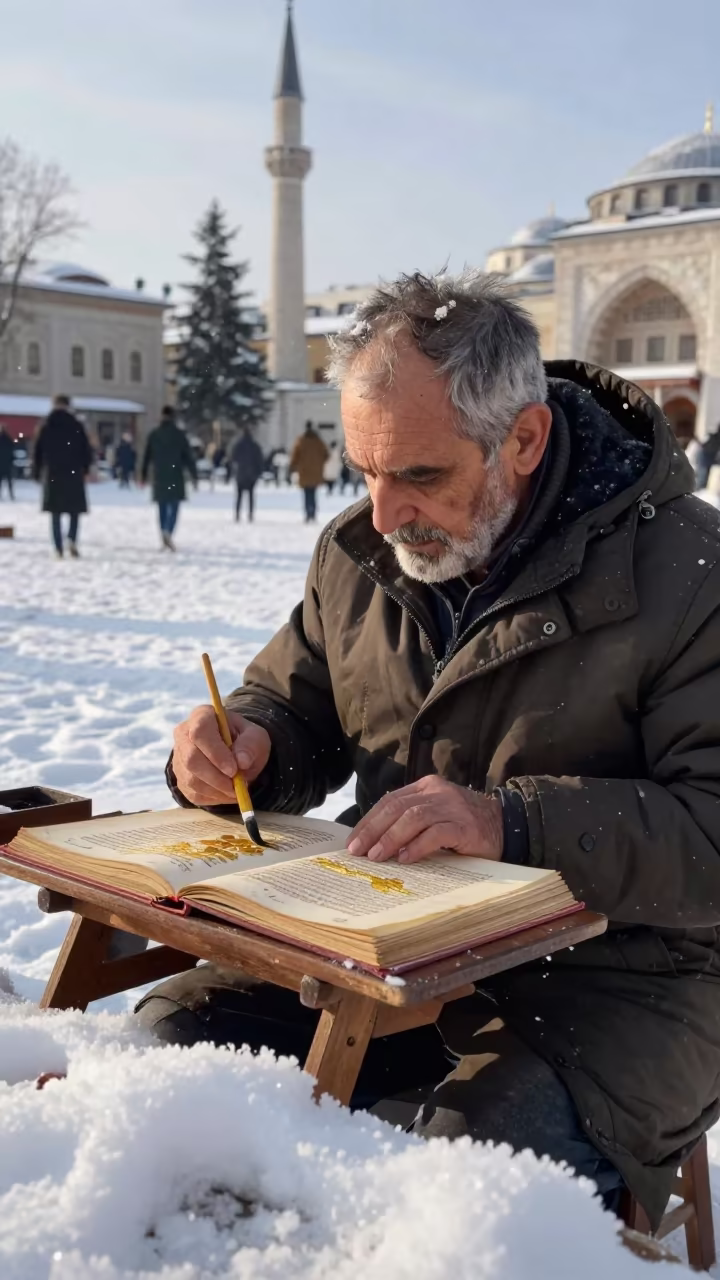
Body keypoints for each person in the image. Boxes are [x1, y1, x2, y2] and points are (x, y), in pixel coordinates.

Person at [138, 269, 720, 1231]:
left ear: (523, 440)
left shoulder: (693, 574)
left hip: (624, 979)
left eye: (418, 475)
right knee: (178, 1051)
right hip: (386, 943)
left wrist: (513, 825)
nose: (382, 513)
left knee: (464, 1176)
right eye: (364, 471)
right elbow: (295, 702)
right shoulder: (360, 552)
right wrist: (248, 744)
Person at [33, 395, 92, 558]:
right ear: (68, 406)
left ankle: (58, 547)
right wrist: (86, 468)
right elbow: (86, 449)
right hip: (73, 472)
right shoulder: (77, 425)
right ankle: (72, 538)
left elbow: (38, 451)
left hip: (53, 472)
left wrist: (36, 471)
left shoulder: (46, 425)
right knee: (74, 510)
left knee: (55, 511)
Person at [141, 406, 197, 551]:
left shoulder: (154, 435)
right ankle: (169, 531)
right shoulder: (180, 435)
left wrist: (143, 474)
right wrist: (194, 475)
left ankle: (163, 531)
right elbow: (188, 457)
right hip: (175, 475)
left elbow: (147, 456)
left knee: (162, 506)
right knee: (174, 506)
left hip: (159, 476)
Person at [289, 421, 328, 521]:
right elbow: (326, 454)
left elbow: (295, 455)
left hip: (304, 471)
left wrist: (292, 466)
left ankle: (308, 512)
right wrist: (319, 463)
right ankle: (313, 512)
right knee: (313, 492)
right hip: (316, 472)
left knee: (306, 493)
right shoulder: (318, 441)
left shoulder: (301, 440)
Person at [228, 426, 264, 522]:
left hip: (240, 474)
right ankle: (250, 514)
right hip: (252, 475)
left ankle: (237, 514)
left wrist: (233, 471)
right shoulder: (255, 446)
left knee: (239, 495)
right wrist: (259, 473)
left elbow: (233, 458)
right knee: (251, 495)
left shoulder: (238, 445)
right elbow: (260, 460)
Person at [0, 424, 15, 500]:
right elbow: (12, 450)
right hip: (7, 464)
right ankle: (11, 495)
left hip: (0, 463)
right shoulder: (9, 439)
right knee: (9, 481)